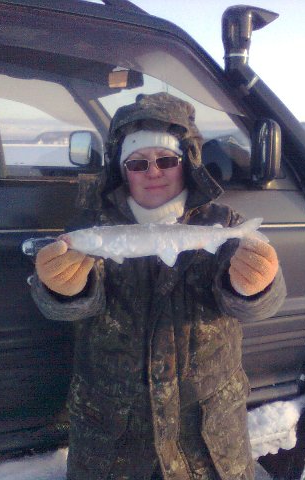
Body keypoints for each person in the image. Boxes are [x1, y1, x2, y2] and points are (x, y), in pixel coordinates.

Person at [31, 93, 286, 480]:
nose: (153, 172)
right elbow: (66, 307)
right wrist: (62, 289)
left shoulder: (222, 222)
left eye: (166, 160)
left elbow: (260, 305)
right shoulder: (91, 225)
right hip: (113, 440)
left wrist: (254, 287)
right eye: (138, 163)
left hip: (206, 439)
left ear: (186, 163)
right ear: (123, 171)